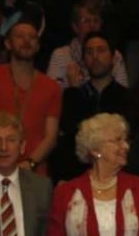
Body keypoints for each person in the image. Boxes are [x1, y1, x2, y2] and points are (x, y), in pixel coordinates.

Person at [0, 21, 61, 177]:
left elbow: (51, 136)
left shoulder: (52, 86)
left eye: (32, 37)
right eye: (20, 36)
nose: (26, 41)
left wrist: (30, 163)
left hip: (35, 172)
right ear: (8, 43)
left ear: (38, 46)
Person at [53, 32, 130, 183]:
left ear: (114, 57)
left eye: (101, 50)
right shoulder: (73, 96)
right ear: (83, 60)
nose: (95, 57)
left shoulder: (127, 98)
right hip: (77, 175)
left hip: (117, 174)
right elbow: (68, 136)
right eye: (89, 52)